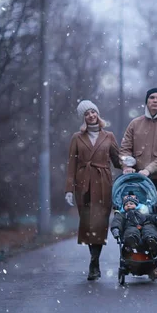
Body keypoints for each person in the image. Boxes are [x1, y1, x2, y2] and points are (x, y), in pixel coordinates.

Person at [120, 87, 157, 277]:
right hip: (136, 183)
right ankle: (134, 259)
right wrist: (127, 165)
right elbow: (124, 148)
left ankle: (153, 262)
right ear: (146, 101)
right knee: (133, 220)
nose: (155, 100)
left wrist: (149, 169)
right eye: (152, 97)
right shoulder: (135, 124)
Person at [65, 100, 122, 281]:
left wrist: (130, 166)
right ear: (83, 118)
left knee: (99, 224)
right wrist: (68, 189)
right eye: (87, 113)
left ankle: (94, 262)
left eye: (93, 112)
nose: (91, 115)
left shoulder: (109, 136)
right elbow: (71, 165)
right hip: (83, 184)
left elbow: (117, 160)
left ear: (97, 113)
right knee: (88, 224)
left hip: (103, 183)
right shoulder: (77, 138)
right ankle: (94, 261)